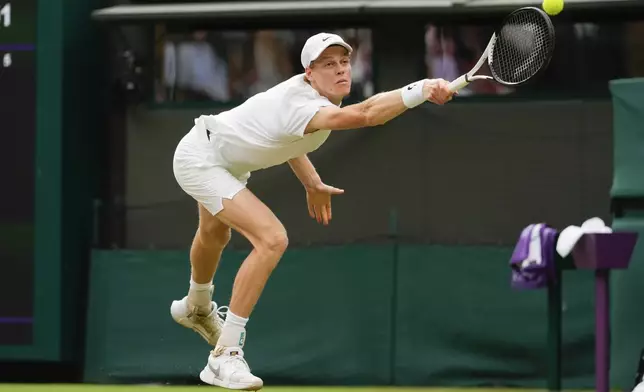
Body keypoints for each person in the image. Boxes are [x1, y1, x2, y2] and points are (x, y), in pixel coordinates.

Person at [169, 32, 455, 391]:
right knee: (272, 239)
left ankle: (196, 305)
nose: (340, 70)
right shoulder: (303, 104)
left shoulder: (311, 102)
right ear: (309, 74)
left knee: (215, 234)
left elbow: (290, 140)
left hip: (224, 157)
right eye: (327, 65)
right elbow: (366, 114)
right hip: (200, 158)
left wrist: (312, 182)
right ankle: (224, 356)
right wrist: (423, 89)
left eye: (343, 62)